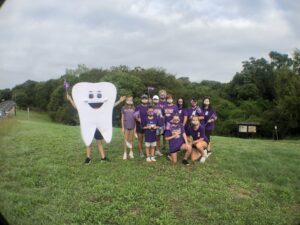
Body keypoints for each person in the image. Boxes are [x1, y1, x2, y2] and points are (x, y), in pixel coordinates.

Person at [66, 94, 126, 164]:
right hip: (89, 126)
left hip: (97, 127)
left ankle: (103, 158)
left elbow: (110, 107)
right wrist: (70, 99)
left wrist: (120, 100)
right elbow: (77, 107)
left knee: (99, 142)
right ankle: (88, 159)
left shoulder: (101, 107)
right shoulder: (87, 107)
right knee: (88, 142)